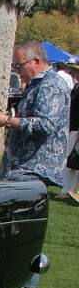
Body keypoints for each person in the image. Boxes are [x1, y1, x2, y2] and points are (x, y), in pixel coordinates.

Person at [0, 41, 70, 188]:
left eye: (19, 65)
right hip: (21, 169)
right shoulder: (37, 84)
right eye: (14, 66)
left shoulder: (51, 84)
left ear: (35, 62)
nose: (16, 70)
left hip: (32, 170)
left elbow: (46, 125)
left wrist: (7, 121)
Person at [63, 61, 79, 201]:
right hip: (72, 126)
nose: (74, 73)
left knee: (72, 159)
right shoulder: (76, 86)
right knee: (71, 161)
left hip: (76, 129)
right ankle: (67, 189)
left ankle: (68, 189)